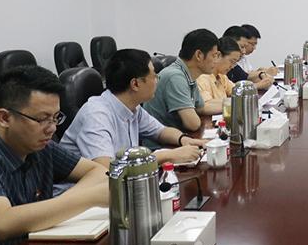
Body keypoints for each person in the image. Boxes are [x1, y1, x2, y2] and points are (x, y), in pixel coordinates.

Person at [0, 66, 108, 245]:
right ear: (5, 118)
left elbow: (97, 171)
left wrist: (70, 200)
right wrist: (88, 198)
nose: (51, 128)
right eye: (42, 119)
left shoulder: (41, 146)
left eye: (56, 117)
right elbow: (0, 223)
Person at [60, 49, 206, 168]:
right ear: (135, 84)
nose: (157, 80)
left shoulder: (132, 107)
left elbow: (160, 131)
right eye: (154, 76)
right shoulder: (96, 115)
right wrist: (167, 155)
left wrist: (183, 139)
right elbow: (106, 170)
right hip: (81, 191)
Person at [144, 29, 221, 132]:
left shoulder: (188, 74)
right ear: (199, 55)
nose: (216, 61)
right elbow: (192, 124)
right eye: (214, 55)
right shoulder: (175, 77)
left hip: (176, 136)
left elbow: (201, 108)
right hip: (159, 141)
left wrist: (233, 107)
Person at [223, 25, 275, 90]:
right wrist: (258, 85)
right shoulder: (218, 73)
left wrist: (261, 74)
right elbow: (234, 90)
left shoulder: (233, 66)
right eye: (242, 47)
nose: (244, 51)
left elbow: (245, 77)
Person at [197, 37, 242, 102]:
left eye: (235, 63)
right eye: (232, 61)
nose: (232, 67)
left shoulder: (222, 77)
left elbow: (238, 92)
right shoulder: (203, 78)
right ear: (218, 56)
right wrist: (233, 103)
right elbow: (206, 105)